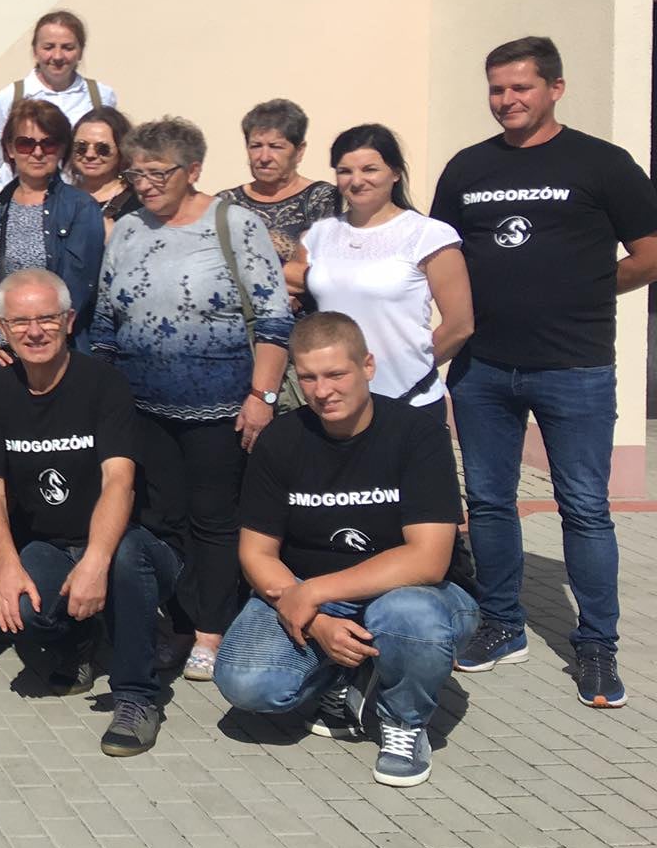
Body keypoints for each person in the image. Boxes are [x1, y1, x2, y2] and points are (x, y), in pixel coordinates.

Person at [430, 36, 657, 704]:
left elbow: (649, 253)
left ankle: (596, 647)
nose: (507, 100)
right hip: (482, 368)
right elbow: (440, 255)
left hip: (574, 367)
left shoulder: (602, 163)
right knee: (489, 501)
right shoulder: (468, 167)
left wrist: (589, 287)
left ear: (555, 88)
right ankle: (503, 624)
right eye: (497, 88)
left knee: (584, 508)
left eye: (521, 87)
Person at [215, 313, 478, 787]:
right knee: (246, 683)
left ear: (368, 367)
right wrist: (315, 621)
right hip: (309, 593)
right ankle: (345, 678)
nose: (322, 391)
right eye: (308, 377)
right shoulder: (281, 439)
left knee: (409, 618)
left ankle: (404, 720)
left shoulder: (417, 434)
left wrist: (313, 592)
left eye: (336, 374)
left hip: (412, 594)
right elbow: (256, 553)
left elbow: (428, 559)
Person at [90, 117, 290, 684]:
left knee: (214, 521)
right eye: (136, 173)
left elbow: (274, 319)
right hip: (142, 408)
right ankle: (178, 624)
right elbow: (105, 320)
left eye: (159, 173)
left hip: (221, 409)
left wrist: (262, 396)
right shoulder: (127, 229)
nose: (145, 184)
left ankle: (211, 630)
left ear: (194, 170)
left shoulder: (234, 224)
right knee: (161, 519)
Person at [0, 271, 180, 757]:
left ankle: (136, 696)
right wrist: (7, 565)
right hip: (50, 542)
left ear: (69, 321)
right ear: (2, 329)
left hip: (132, 541)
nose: (34, 331)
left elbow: (119, 480)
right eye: (20, 322)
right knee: (25, 606)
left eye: (47, 318)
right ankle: (81, 642)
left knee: (124, 558)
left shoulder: (103, 383)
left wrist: (94, 562)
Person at [288, 125, 472, 410]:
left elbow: (459, 326)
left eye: (369, 169)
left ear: (395, 172)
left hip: (409, 399)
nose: (356, 181)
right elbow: (292, 291)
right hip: (334, 402)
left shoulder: (429, 235)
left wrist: (414, 367)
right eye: (345, 171)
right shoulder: (317, 236)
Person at [0, 99, 103, 364]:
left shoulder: (80, 208)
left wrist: (2, 334)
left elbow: (75, 291)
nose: (37, 152)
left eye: (48, 143)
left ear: (62, 149)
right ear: (10, 149)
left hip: (47, 358)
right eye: (25, 143)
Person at [0, 11, 116, 187]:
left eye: (67, 47)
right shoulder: (6, 98)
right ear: (35, 51)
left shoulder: (101, 96)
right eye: (48, 47)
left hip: (83, 194)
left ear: (80, 51)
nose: (58, 56)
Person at [222, 99, 341, 269]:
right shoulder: (227, 202)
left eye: (276, 147)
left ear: (299, 151)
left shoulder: (322, 199)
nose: (264, 157)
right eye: (256, 146)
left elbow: (320, 270)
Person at [71, 106, 138, 227]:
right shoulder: (56, 198)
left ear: (121, 149)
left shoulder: (139, 203)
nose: (90, 155)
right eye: (81, 146)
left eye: (103, 148)